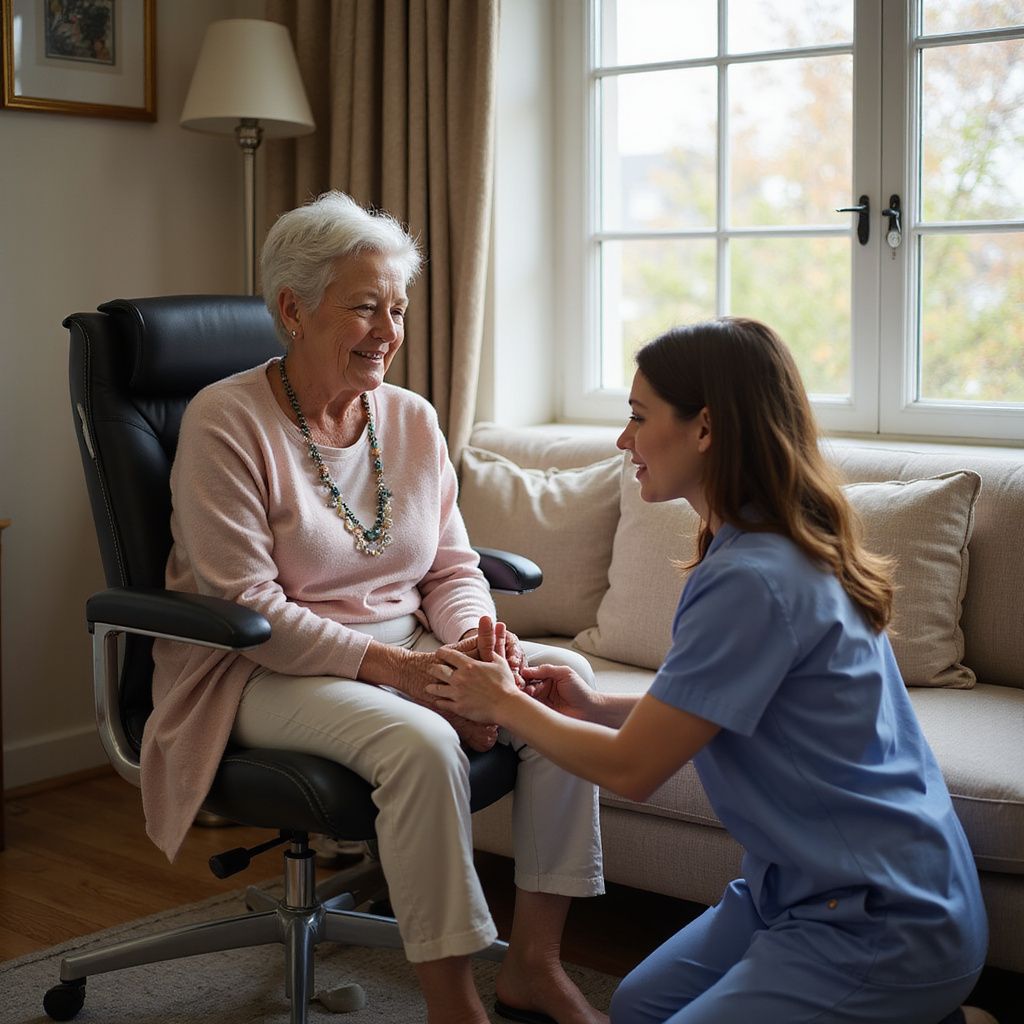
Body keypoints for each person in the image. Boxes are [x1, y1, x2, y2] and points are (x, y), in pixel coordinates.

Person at [427, 318, 996, 1024]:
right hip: (795, 889)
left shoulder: (756, 577)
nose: (622, 441)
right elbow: (712, 709)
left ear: (706, 428)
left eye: (638, 417)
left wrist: (506, 702)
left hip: (881, 919)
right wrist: (591, 702)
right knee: (637, 1008)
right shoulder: (751, 543)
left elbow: (635, 771)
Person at [148, 190, 606, 1024]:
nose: (389, 331)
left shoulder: (411, 420)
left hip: (406, 647)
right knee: (423, 738)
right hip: (259, 666)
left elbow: (452, 565)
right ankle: (452, 1002)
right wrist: (406, 672)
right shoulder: (226, 421)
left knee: (556, 675)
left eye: (396, 308)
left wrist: (478, 644)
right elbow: (248, 606)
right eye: (364, 308)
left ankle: (534, 963)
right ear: (294, 308)